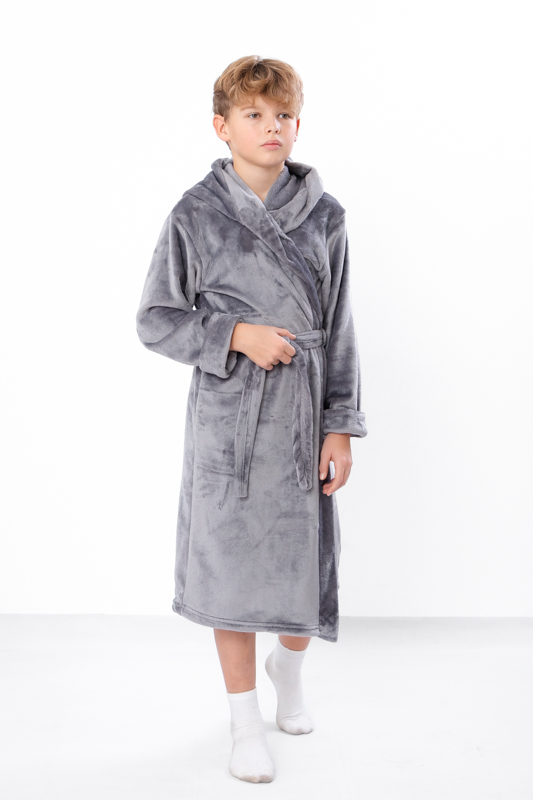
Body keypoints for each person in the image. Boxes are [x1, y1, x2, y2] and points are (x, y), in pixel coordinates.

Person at [135, 54, 368, 783]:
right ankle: (243, 720)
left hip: (301, 421)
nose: (271, 127)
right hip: (229, 425)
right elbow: (155, 318)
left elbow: (341, 326)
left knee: (307, 569)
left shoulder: (326, 216)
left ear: (298, 124)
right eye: (253, 114)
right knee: (229, 574)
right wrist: (235, 335)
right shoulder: (195, 214)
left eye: (283, 115)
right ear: (222, 125)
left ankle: (287, 670)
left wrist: (340, 424)